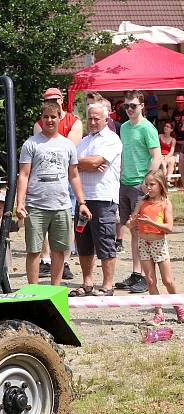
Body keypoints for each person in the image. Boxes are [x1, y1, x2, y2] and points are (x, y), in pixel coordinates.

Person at [15, 100, 91, 286]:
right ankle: (33, 291)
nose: (49, 120)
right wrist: (20, 202)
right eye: (46, 117)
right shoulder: (30, 144)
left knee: (59, 250)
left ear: (59, 118)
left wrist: (81, 202)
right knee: (34, 250)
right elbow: (24, 174)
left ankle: (54, 289)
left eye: (53, 117)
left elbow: (73, 175)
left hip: (62, 206)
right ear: (41, 119)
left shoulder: (68, 145)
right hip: (36, 206)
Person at [69, 101, 122, 297]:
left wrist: (84, 163)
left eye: (96, 118)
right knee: (83, 242)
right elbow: (73, 164)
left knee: (105, 241)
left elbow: (95, 162)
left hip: (103, 197)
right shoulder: (84, 141)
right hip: (83, 198)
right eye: (89, 118)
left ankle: (108, 285)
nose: (92, 122)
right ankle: (87, 282)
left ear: (106, 119)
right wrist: (85, 164)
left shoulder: (112, 139)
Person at [114, 91, 162, 294]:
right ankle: (137, 274)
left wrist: (147, 182)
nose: (129, 109)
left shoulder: (147, 127)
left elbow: (157, 155)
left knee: (142, 232)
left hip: (139, 186)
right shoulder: (124, 128)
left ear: (142, 106)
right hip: (125, 183)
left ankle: (145, 276)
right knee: (133, 230)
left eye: (133, 105)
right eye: (126, 106)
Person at [34, 87, 82, 279]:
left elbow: (68, 149)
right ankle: (46, 260)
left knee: (68, 218)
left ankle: (66, 261)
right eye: (48, 99)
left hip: (65, 178)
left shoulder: (74, 121)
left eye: (55, 98)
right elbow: (40, 147)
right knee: (43, 217)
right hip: (43, 179)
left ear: (62, 100)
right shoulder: (40, 123)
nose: (53, 101)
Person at [126, 170, 183, 324]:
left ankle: (178, 307)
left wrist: (151, 222)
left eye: (152, 184)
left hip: (159, 243)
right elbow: (130, 223)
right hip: (143, 243)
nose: (148, 188)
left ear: (161, 184)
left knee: (167, 280)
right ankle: (159, 313)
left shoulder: (165, 203)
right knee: (150, 280)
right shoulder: (142, 202)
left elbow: (169, 228)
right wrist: (133, 221)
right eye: (147, 185)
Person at [159, 121, 178, 185]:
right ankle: (162, 180)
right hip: (159, 154)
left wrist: (166, 157)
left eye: (167, 126)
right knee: (162, 163)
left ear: (171, 130)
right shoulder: (159, 136)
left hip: (168, 155)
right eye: (165, 126)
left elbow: (172, 151)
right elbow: (157, 148)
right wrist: (161, 156)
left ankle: (168, 180)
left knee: (171, 161)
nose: (165, 127)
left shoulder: (173, 140)